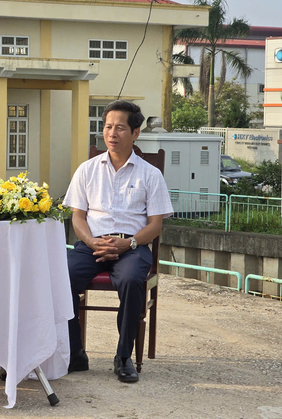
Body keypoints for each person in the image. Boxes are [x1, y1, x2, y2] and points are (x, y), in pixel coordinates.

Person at [63, 100, 173, 383]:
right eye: (108, 127)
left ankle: (123, 356)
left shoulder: (151, 174)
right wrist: (90, 241)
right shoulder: (86, 169)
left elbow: (155, 225)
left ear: (135, 133)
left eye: (120, 128)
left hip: (132, 248)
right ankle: (75, 353)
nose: (112, 133)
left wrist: (129, 244)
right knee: (61, 278)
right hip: (91, 245)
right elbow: (77, 217)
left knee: (131, 281)